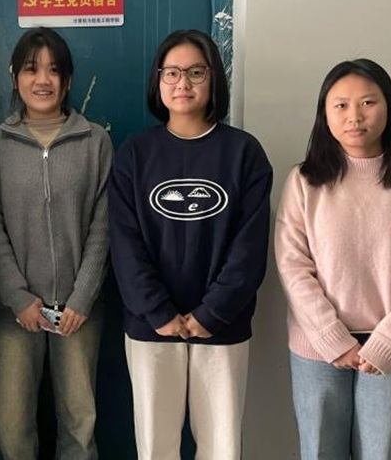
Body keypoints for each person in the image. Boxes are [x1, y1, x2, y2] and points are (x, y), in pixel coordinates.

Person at [275, 58, 391, 460]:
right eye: (340, 105)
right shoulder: (304, 181)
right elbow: (292, 264)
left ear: (389, 107)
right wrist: (332, 338)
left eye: (368, 102)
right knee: (320, 452)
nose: (354, 116)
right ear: (324, 114)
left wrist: (389, 343)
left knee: (381, 453)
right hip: (317, 347)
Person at [108, 29, 272, 460]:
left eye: (196, 72)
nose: (183, 83)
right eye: (172, 73)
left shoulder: (244, 153)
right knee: (155, 446)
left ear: (214, 78)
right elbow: (124, 245)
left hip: (222, 326)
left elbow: (249, 248)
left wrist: (212, 312)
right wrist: (158, 311)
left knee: (222, 447)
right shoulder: (134, 155)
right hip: (150, 327)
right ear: (158, 81)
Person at [0, 27, 112, 460]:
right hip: (14, 312)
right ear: (15, 76)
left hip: (78, 311)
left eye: (54, 70)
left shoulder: (95, 141)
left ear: (68, 79)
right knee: (13, 430)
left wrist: (83, 296)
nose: (43, 80)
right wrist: (17, 296)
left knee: (79, 426)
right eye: (31, 69)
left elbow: (103, 226)